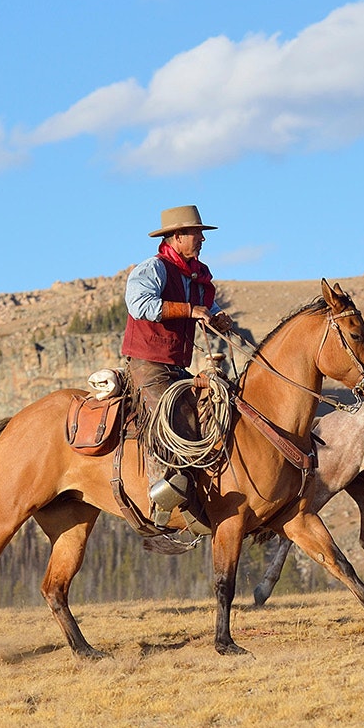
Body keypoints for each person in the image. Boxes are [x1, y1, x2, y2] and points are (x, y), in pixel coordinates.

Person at [121, 205, 234, 534]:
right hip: (147, 365)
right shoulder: (153, 269)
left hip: (175, 366)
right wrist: (190, 310)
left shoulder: (196, 276)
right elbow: (140, 305)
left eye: (201, 234)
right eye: (196, 233)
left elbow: (206, 310)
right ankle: (163, 496)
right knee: (170, 422)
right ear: (177, 237)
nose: (201, 239)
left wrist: (217, 319)